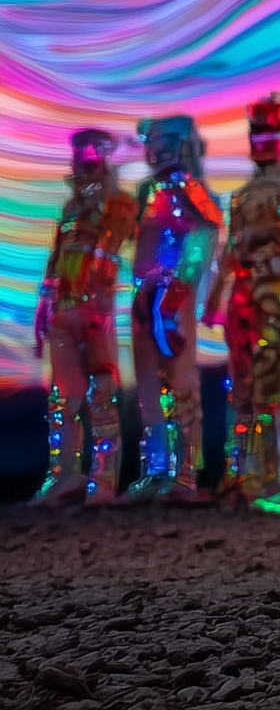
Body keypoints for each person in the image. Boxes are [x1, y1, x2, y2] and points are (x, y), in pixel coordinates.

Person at [211, 93, 280, 513]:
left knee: (270, 386)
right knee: (240, 387)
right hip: (242, 298)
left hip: (275, 295)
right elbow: (231, 248)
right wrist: (216, 295)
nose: (261, 141)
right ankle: (241, 474)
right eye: (255, 132)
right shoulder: (240, 196)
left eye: (269, 132)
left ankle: (273, 478)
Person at [33, 128, 136, 506]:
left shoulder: (119, 204)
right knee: (62, 399)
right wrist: (44, 306)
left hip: (95, 311)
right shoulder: (70, 209)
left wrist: (97, 302)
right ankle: (64, 475)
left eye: (90, 155)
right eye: (79, 154)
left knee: (101, 394)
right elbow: (56, 258)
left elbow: (113, 249)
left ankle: (103, 481)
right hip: (63, 309)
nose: (82, 161)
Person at [123, 115, 221, 505]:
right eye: (151, 142)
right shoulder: (146, 190)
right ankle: (155, 470)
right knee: (148, 385)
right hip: (143, 296)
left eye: (164, 142)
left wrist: (180, 287)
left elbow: (208, 228)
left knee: (180, 381)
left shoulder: (188, 187)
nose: (157, 150)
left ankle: (185, 475)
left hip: (172, 298)